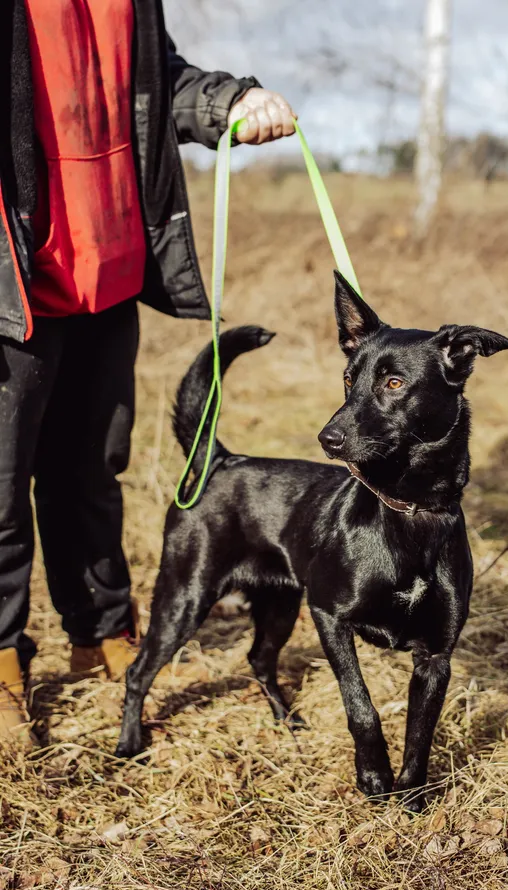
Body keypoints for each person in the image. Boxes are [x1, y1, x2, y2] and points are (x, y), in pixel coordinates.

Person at [0, 0, 296, 744]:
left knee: (93, 470)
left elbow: (158, 83)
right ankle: (1, 659)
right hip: (12, 281)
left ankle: (100, 632)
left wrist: (229, 100)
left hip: (109, 270)